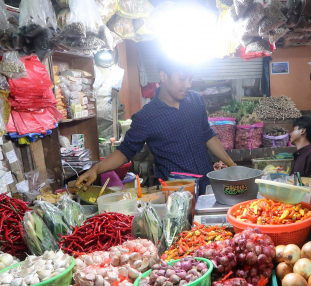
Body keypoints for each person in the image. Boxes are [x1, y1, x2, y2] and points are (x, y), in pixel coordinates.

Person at [74, 56, 235, 192]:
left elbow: (208, 135)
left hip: (208, 186)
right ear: (163, 77)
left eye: (190, 78)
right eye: (182, 78)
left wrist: (232, 165)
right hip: (176, 192)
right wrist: (96, 169)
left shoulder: (195, 101)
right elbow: (125, 151)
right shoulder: (146, 117)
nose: (188, 84)